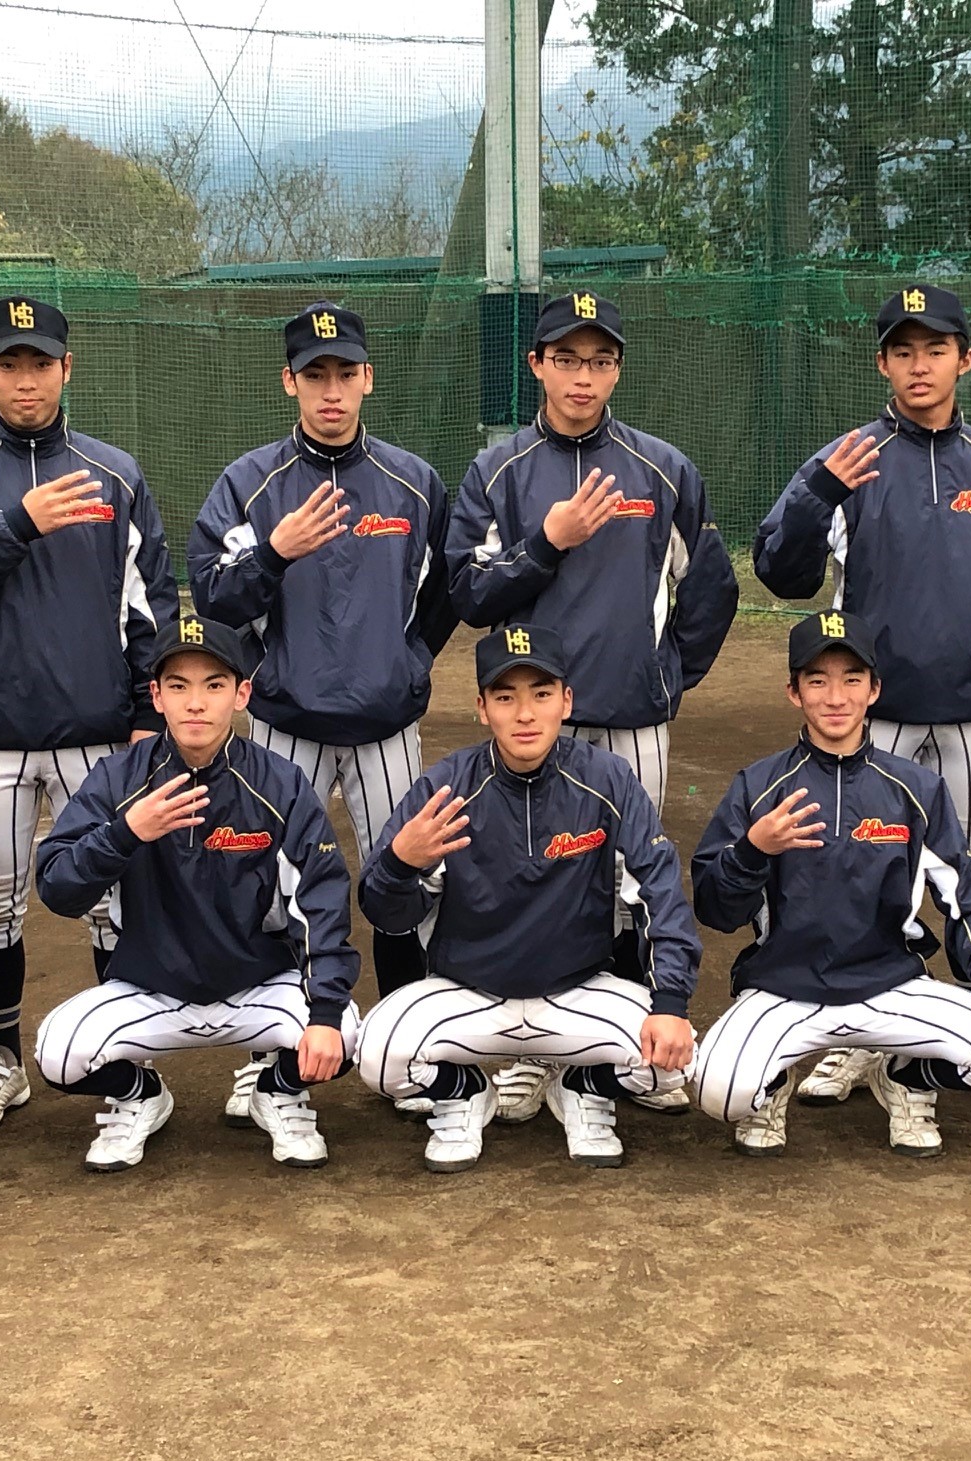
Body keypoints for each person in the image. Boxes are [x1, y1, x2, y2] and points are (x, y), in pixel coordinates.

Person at [446, 291, 737, 1121]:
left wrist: (665, 674)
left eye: (600, 361)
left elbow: (709, 588)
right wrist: (548, 542)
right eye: (567, 359)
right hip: (532, 720)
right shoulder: (498, 472)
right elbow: (468, 591)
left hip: (629, 715)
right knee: (532, 878)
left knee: (633, 884)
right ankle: (532, 1054)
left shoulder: (662, 469)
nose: (583, 377)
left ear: (617, 370)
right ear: (536, 364)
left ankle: (632, 1053)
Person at [0, 296, 178, 1138]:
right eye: (10, 364)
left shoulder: (114, 475)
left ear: (67, 367)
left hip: (98, 732)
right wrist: (16, 524)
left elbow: (150, 606)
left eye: (41, 363)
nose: (27, 380)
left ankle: (122, 1058)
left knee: (111, 898)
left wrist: (146, 710)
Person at [752, 283, 971, 1109]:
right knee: (860, 871)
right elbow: (780, 572)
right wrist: (817, 492)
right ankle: (854, 1040)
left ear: (964, 359)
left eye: (935, 349)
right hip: (875, 715)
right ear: (881, 364)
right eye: (902, 350)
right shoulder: (848, 461)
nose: (919, 365)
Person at [187, 301, 453, 1119]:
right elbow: (212, 599)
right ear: (289, 382)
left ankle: (406, 1048)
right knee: (266, 882)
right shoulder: (250, 483)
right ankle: (268, 1056)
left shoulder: (412, 482)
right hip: (284, 722)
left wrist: (408, 664)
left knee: (404, 880)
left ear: (368, 378)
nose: (330, 391)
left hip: (383, 724)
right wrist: (274, 552)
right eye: (314, 376)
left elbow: (445, 594)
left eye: (344, 374)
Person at [690, 611, 971, 1158]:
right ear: (794, 692)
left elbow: (964, 892)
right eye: (817, 680)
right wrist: (753, 850)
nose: (836, 697)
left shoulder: (915, 788)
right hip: (786, 985)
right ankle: (771, 1087)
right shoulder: (759, 786)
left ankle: (904, 1075)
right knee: (718, 1090)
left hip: (890, 983)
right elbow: (715, 910)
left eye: (852, 679)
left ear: (874, 690)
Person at [355, 625, 700, 1173]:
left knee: (678, 1061)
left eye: (541, 694)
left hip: (576, 991)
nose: (524, 714)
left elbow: (659, 891)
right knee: (374, 1055)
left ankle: (582, 1086)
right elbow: (386, 914)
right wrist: (400, 862)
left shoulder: (607, 779)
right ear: (481, 707)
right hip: (469, 993)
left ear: (567, 701)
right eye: (505, 697)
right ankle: (465, 1094)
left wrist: (671, 1002)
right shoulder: (447, 787)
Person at [29, 615, 360, 1172]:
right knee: (58, 1052)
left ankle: (276, 1090)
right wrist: (125, 833)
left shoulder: (279, 782)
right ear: (157, 697)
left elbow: (321, 896)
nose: (196, 703)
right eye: (178, 686)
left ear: (242, 694)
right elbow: (58, 887)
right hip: (150, 989)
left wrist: (324, 1009)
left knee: (345, 1031)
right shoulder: (117, 779)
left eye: (214, 685)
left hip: (258, 987)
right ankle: (141, 1096)